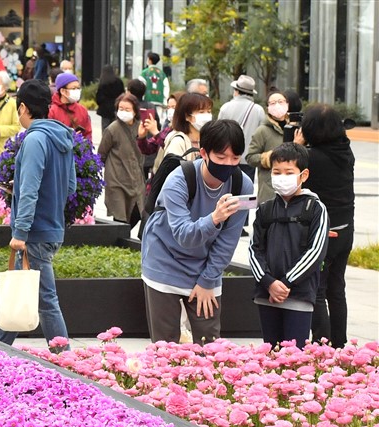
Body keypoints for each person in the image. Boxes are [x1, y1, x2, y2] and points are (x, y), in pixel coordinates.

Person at [140, 119, 254, 344]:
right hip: (165, 261)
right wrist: (215, 217)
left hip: (205, 267)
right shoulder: (178, 181)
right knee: (166, 349)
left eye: (235, 158)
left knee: (209, 345)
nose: (229, 164)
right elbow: (184, 236)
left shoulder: (244, 186)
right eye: (221, 158)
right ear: (204, 153)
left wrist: (207, 281)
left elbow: (228, 241)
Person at [0, 79, 77, 352]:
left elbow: (29, 190)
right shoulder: (62, 137)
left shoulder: (35, 139)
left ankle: (66, 359)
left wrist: (20, 232)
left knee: (46, 300)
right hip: (51, 227)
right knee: (23, 293)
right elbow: (70, 187)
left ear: (23, 108)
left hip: (35, 232)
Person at [249, 143, 329, 347]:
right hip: (267, 295)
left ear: (303, 175)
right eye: (277, 172)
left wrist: (286, 283)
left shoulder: (315, 208)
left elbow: (316, 251)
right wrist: (268, 282)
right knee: (270, 356)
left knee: (294, 359)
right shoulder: (265, 209)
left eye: (288, 172)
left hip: (298, 296)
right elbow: (254, 249)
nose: (282, 177)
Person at [297, 104, 355, 348]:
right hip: (345, 229)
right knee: (336, 288)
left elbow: (290, 172)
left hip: (324, 232)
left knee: (317, 289)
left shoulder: (312, 157)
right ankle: (338, 343)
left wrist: (298, 145)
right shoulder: (345, 152)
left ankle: (322, 343)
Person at [98, 93, 144, 225]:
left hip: (135, 179)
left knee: (138, 212)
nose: (123, 112)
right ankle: (118, 243)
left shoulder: (140, 127)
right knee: (119, 217)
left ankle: (121, 241)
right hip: (116, 180)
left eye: (127, 109)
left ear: (135, 111)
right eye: (121, 109)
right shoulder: (112, 129)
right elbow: (101, 154)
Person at [218, 75, 265, 185]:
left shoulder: (225, 107)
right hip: (248, 159)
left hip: (227, 157)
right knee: (245, 191)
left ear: (236, 91)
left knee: (226, 189)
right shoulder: (258, 110)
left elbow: (218, 133)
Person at [152, 92, 213, 173]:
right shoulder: (178, 142)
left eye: (208, 111)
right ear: (187, 116)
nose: (206, 116)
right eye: (201, 112)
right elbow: (173, 175)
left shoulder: (208, 139)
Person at [246, 90, 289, 203]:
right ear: (267, 108)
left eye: (281, 101)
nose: (277, 105)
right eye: (273, 103)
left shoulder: (294, 128)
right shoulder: (262, 130)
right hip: (269, 190)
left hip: (292, 186)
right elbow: (250, 157)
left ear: (287, 104)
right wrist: (270, 157)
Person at [127, 78, 159, 177]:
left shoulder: (128, 108)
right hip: (150, 152)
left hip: (132, 152)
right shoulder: (151, 106)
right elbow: (158, 126)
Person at [137, 91, 185, 159]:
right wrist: (142, 137)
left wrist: (156, 133)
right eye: (168, 107)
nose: (170, 110)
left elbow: (169, 148)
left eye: (173, 107)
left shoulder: (186, 131)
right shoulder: (168, 128)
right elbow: (148, 149)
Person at [48, 72, 91, 140]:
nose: (77, 91)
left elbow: (88, 134)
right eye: (73, 88)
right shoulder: (52, 111)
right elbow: (50, 136)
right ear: (63, 91)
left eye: (78, 88)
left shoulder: (82, 110)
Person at [95, 65, 125, 130]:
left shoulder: (102, 82)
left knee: (105, 128)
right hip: (116, 108)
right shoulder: (119, 81)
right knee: (115, 128)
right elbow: (123, 94)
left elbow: (98, 98)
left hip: (105, 110)